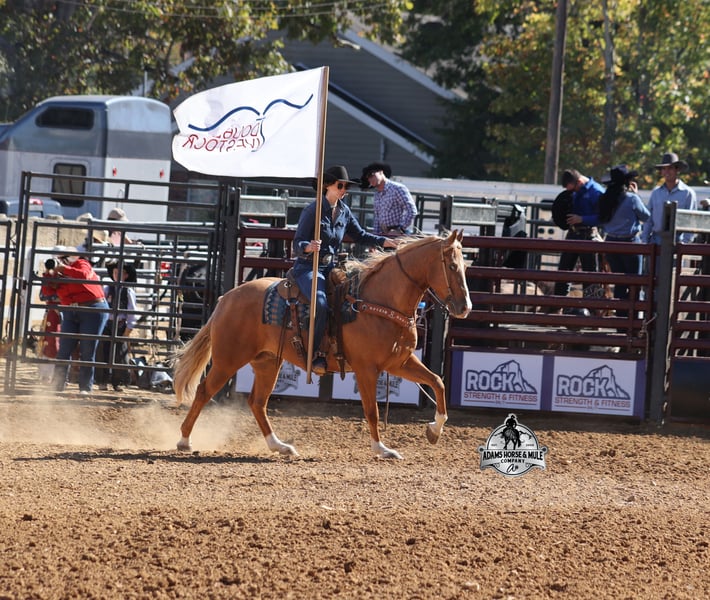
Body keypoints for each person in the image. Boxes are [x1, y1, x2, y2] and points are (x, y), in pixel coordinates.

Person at [293, 165, 398, 375]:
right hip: (308, 267)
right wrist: (308, 247)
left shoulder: (344, 211)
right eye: (340, 186)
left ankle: (345, 348)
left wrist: (385, 242)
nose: (344, 190)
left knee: (356, 298)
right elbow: (297, 243)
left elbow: (360, 235)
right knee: (320, 303)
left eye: (346, 187)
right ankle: (315, 354)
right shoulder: (312, 211)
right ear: (327, 186)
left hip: (332, 267)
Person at [44, 247, 109, 395]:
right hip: (71, 310)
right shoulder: (58, 274)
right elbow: (47, 292)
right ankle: (58, 385)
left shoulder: (82, 264)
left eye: (61, 258)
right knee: (64, 349)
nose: (58, 261)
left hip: (92, 309)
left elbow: (84, 276)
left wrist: (64, 269)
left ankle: (85, 388)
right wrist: (49, 274)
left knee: (87, 350)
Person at [598, 165, 651, 317]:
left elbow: (601, 220)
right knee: (635, 282)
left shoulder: (605, 199)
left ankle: (621, 318)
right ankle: (633, 319)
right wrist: (636, 194)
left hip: (611, 243)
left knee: (619, 282)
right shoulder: (632, 198)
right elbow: (646, 216)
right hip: (630, 244)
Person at [553, 168, 605, 298]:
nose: (572, 192)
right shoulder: (576, 191)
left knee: (590, 275)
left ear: (580, 182)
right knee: (563, 272)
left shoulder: (596, 192)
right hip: (573, 233)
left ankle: (592, 306)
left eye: (573, 189)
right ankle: (558, 303)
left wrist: (582, 219)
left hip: (588, 234)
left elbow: (603, 218)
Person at [97, 261, 138, 392]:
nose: (117, 274)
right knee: (104, 352)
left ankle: (118, 382)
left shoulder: (128, 291)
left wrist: (128, 329)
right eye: (115, 272)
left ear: (126, 275)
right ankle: (103, 380)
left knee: (120, 354)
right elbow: (101, 305)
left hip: (120, 325)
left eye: (120, 272)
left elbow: (132, 311)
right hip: (107, 324)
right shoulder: (107, 288)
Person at [642, 152, 697, 245]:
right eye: (664, 168)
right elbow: (649, 219)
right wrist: (645, 240)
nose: (666, 172)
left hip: (677, 240)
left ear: (677, 170)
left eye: (670, 168)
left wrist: (685, 242)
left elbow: (691, 221)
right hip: (655, 240)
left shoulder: (688, 193)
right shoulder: (656, 193)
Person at [360, 162, 418, 234]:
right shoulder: (377, 194)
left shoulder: (397, 188)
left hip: (398, 233)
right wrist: (376, 236)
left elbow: (411, 210)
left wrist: (400, 229)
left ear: (381, 172)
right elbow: (378, 218)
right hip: (384, 232)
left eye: (371, 175)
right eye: (368, 177)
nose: (370, 179)